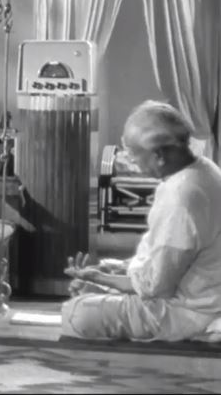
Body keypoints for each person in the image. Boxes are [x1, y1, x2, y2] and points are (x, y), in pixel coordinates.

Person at [62, 100, 221, 341]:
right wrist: (114, 269)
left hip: (189, 313)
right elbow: (164, 258)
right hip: (187, 294)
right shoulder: (205, 169)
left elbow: (155, 288)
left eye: (134, 154)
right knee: (92, 287)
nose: (132, 162)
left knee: (75, 313)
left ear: (158, 155)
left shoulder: (182, 196)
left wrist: (100, 279)